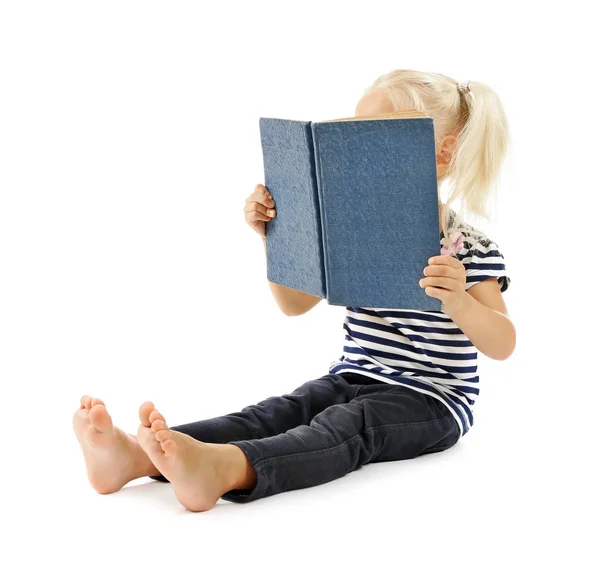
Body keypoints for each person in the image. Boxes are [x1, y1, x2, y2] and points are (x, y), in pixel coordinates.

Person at [73, 69, 516, 512]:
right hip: (352, 374)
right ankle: (132, 458)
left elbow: (502, 343)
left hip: (432, 398)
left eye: (374, 139)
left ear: (441, 154)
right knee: (275, 413)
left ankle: (225, 468)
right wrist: (274, 238)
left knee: (347, 427)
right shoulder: (353, 232)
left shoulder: (468, 247)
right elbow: (294, 305)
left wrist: (458, 299)